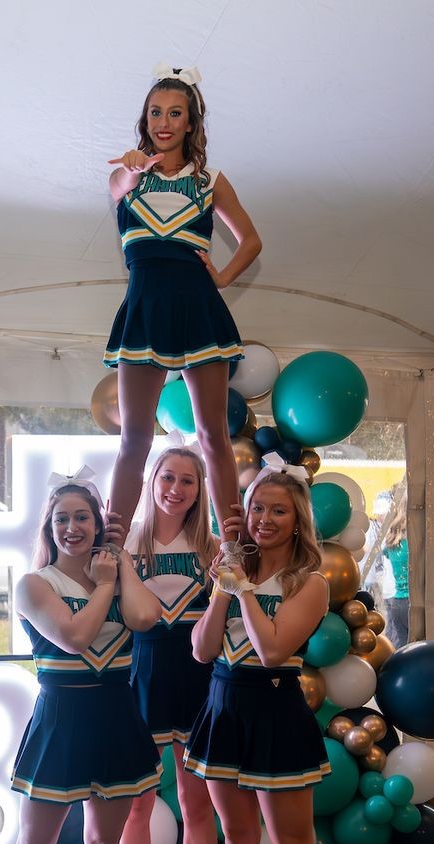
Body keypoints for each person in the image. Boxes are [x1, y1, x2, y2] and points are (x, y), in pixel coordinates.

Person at [183, 467, 355, 844]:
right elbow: (202, 650)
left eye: (278, 511)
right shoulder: (234, 570)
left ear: (297, 520)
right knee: (237, 839)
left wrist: (245, 591)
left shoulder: (312, 583)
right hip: (225, 707)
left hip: (276, 714)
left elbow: (274, 651)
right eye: (257, 509)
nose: (265, 520)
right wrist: (221, 589)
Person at [0, 479, 162, 844]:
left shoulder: (116, 572)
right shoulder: (34, 584)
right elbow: (74, 635)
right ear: (49, 526)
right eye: (62, 518)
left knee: (103, 843)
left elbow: (147, 617)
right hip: (61, 720)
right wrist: (106, 584)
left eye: (82, 517)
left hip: (115, 716)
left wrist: (122, 565)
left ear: (98, 524)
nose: (72, 528)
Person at [103, 65, 261, 578]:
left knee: (213, 434)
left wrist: (220, 278)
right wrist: (131, 168)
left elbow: (251, 240)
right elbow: (119, 185)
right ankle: (111, 545)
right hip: (145, 311)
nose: (164, 123)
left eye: (176, 114)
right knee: (135, 438)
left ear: (192, 123)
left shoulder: (209, 181)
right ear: (144, 119)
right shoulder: (126, 176)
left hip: (199, 312)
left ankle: (234, 548)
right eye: (155, 113)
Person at [108, 447, 219, 844]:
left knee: (199, 806)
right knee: (137, 806)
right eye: (168, 477)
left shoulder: (214, 549)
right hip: (143, 679)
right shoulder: (126, 542)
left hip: (199, 681)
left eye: (189, 481)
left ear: (201, 490)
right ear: (151, 480)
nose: (176, 489)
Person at [379, 499, 410, 648]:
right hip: (413, 601)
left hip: (398, 600)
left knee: (401, 646)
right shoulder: (413, 542)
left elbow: (384, 552)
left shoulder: (393, 542)